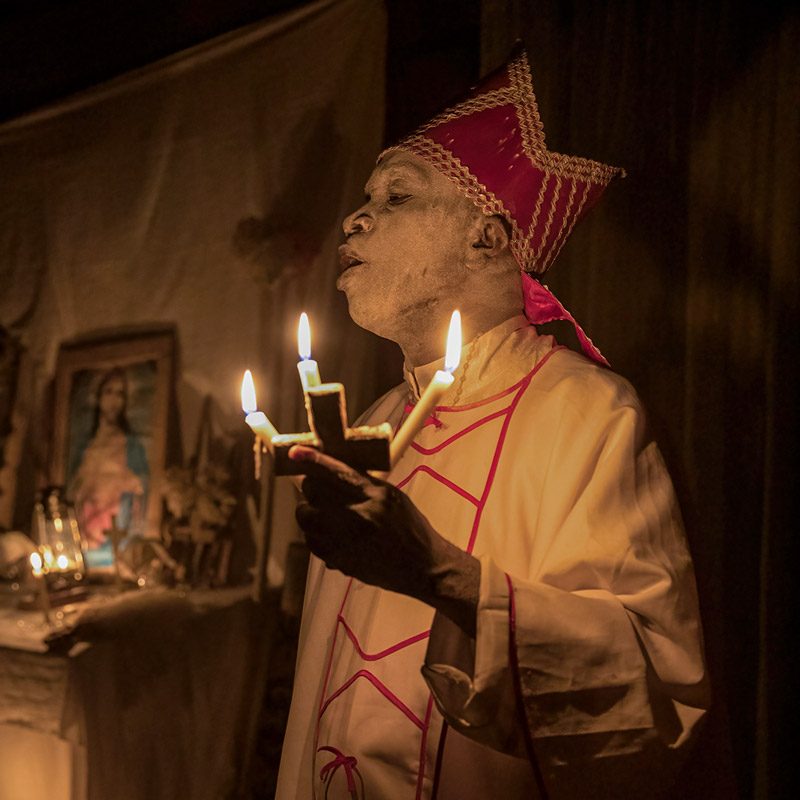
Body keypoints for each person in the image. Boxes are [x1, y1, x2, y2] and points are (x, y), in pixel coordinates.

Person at [276, 48, 708, 799]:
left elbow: (654, 695)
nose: (355, 215)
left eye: (398, 197)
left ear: (489, 236)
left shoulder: (588, 414)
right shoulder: (373, 423)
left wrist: (443, 576)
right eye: (368, 195)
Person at [68, 367, 148, 551]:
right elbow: (75, 486)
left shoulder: (131, 445)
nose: (114, 400)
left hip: (114, 524)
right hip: (84, 525)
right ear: (98, 397)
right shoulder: (85, 445)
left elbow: (141, 488)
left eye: (120, 394)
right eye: (109, 392)